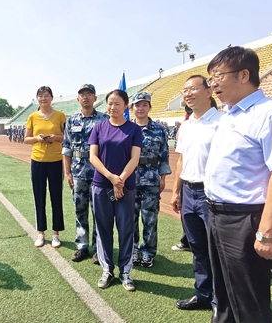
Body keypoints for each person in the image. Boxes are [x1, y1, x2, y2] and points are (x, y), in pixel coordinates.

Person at [204, 46, 272, 323]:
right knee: (223, 295)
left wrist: (266, 232)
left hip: (244, 219)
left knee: (249, 303)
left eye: (218, 76)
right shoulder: (229, 115)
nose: (213, 84)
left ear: (244, 74)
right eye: (211, 78)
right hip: (217, 214)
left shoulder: (271, 113)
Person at [170, 75, 221, 311]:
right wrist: (176, 191)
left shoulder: (222, 123)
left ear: (209, 91)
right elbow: (182, 160)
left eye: (193, 89)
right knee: (198, 248)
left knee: (217, 250)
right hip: (189, 193)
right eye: (184, 90)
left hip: (212, 194)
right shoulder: (187, 126)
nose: (188, 94)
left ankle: (220, 302)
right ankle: (202, 294)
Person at [89, 89, 142, 291]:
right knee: (103, 229)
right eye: (109, 103)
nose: (112, 107)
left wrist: (120, 181)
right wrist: (111, 178)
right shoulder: (99, 128)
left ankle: (126, 272)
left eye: (117, 103)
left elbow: (134, 158)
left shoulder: (134, 129)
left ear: (126, 106)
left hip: (125, 187)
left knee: (126, 228)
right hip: (101, 186)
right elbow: (93, 157)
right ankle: (107, 270)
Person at [61, 84, 108, 263]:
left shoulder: (104, 120)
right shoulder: (72, 121)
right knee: (79, 210)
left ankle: (98, 248)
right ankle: (82, 246)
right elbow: (66, 148)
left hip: (99, 173)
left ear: (95, 98)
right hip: (78, 172)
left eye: (89, 94)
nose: (86, 97)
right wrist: (67, 173)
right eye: (82, 94)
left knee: (99, 211)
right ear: (78, 99)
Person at [130, 92, 171, 268]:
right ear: (132, 108)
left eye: (144, 105)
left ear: (149, 107)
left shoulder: (160, 130)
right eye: (137, 105)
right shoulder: (126, 129)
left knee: (150, 219)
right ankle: (132, 249)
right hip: (129, 181)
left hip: (151, 181)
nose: (141, 108)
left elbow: (164, 156)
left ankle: (147, 252)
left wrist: (162, 178)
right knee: (129, 219)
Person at [25, 86, 66, 248]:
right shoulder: (33, 117)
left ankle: (56, 234)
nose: (44, 99)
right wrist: (37, 138)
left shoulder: (60, 116)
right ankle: (41, 233)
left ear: (52, 98)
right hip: (37, 161)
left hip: (55, 161)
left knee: (56, 197)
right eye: (41, 96)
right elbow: (26, 139)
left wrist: (56, 137)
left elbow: (67, 137)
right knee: (39, 197)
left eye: (47, 96)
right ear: (37, 99)